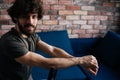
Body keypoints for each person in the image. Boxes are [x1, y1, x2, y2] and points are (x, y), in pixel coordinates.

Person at [0, 0, 99, 80]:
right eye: (25, 16)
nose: (30, 21)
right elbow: (46, 63)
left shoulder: (31, 35)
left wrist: (80, 62)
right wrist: (81, 60)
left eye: (34, 16)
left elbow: (52, 50)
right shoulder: (10, 41)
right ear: (16, 18)